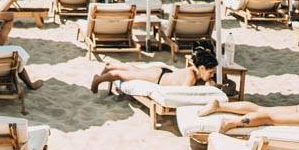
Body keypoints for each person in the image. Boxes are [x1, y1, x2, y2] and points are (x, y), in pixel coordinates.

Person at [90, 40, 218, 93]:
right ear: (202, 68)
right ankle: (97, 80)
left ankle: (111, 65)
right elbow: (184, 94)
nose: (212, 75)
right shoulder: (191, 77)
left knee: (136, 71)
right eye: (211, 72)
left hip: (162, 73)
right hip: (157, 78)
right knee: (122, 75)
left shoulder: (194, 70)